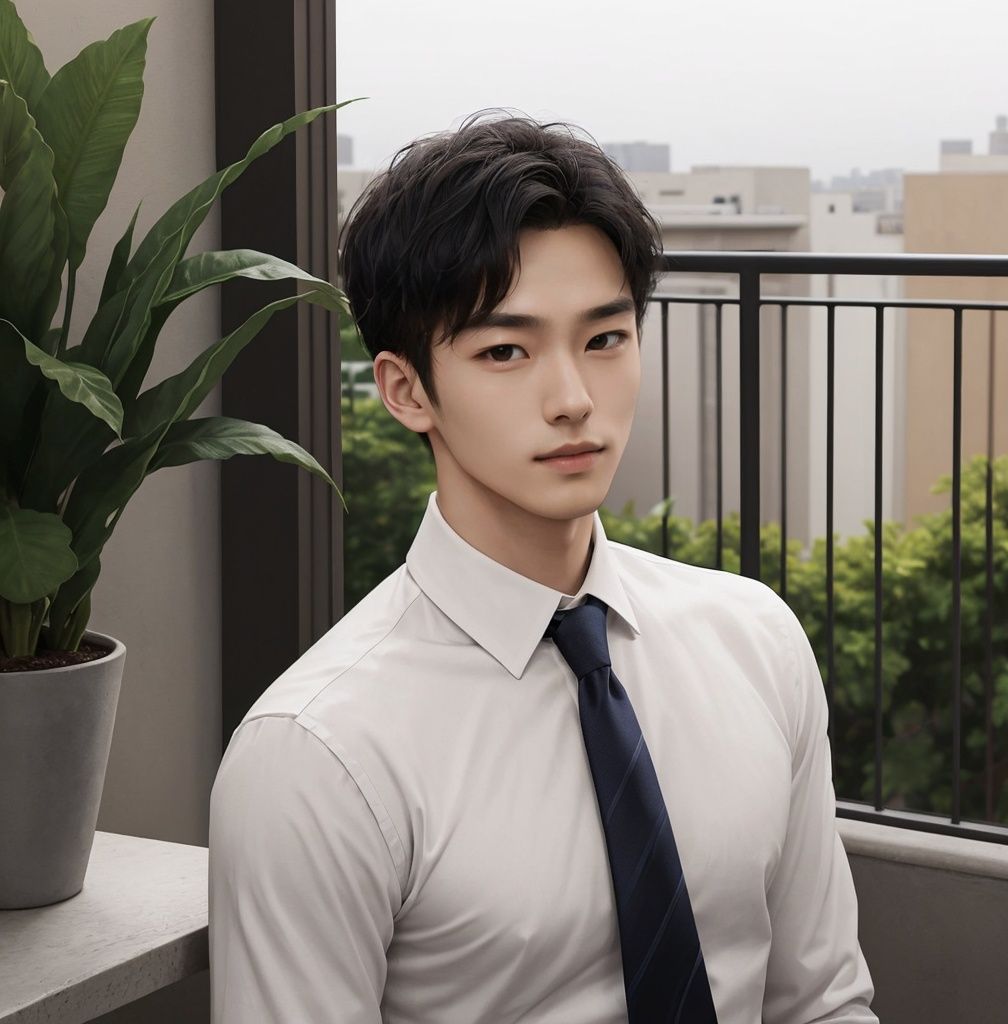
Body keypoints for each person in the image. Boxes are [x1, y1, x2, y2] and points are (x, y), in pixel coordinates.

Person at [208, 108, 879, 1023]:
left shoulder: (754, 640)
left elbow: (824, 1002)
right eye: (505, 351)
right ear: (406, 389)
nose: (573, 400)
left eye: (605, 339)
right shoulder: (317, 755)